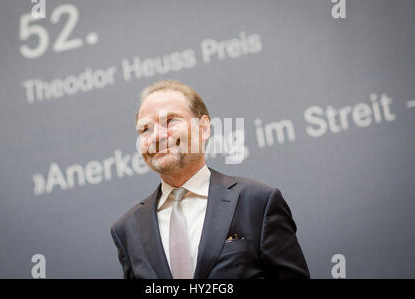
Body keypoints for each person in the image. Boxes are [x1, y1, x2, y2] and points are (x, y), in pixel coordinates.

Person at [110, 80, 310, 279]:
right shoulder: (127, 229)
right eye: (145, 129)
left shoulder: (258, 202)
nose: (156, 137)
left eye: (170, 121)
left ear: (204, 128)